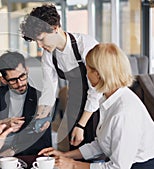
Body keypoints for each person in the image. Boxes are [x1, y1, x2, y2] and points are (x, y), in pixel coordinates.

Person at [38, 43, 154, 169]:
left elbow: (118, 167)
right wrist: (66, 156)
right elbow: (102, 144)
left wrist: (72, 165)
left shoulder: (124, 112)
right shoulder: (108, 98)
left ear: (98, 74)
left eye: (87, 69)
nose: (86, 75)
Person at [20, 4, 102, 150]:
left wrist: (81, 125)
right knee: (76, 151)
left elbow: (96, 90)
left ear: (55, 28)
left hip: (98, 106)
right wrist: (42, 117)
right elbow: (49, 89)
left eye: (41, 39)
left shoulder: (86, 45)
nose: (39, 45)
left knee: (96, 151)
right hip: (75, 103)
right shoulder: (49, 55)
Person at [0, 51, 51, 159]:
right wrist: (0, 124)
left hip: (26, 155)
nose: (20, 84)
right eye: (13, 80)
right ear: (3, 80)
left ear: (27, 70)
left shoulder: (41, 99)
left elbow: (42, 141)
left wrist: (13, 150)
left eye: (22, 76)